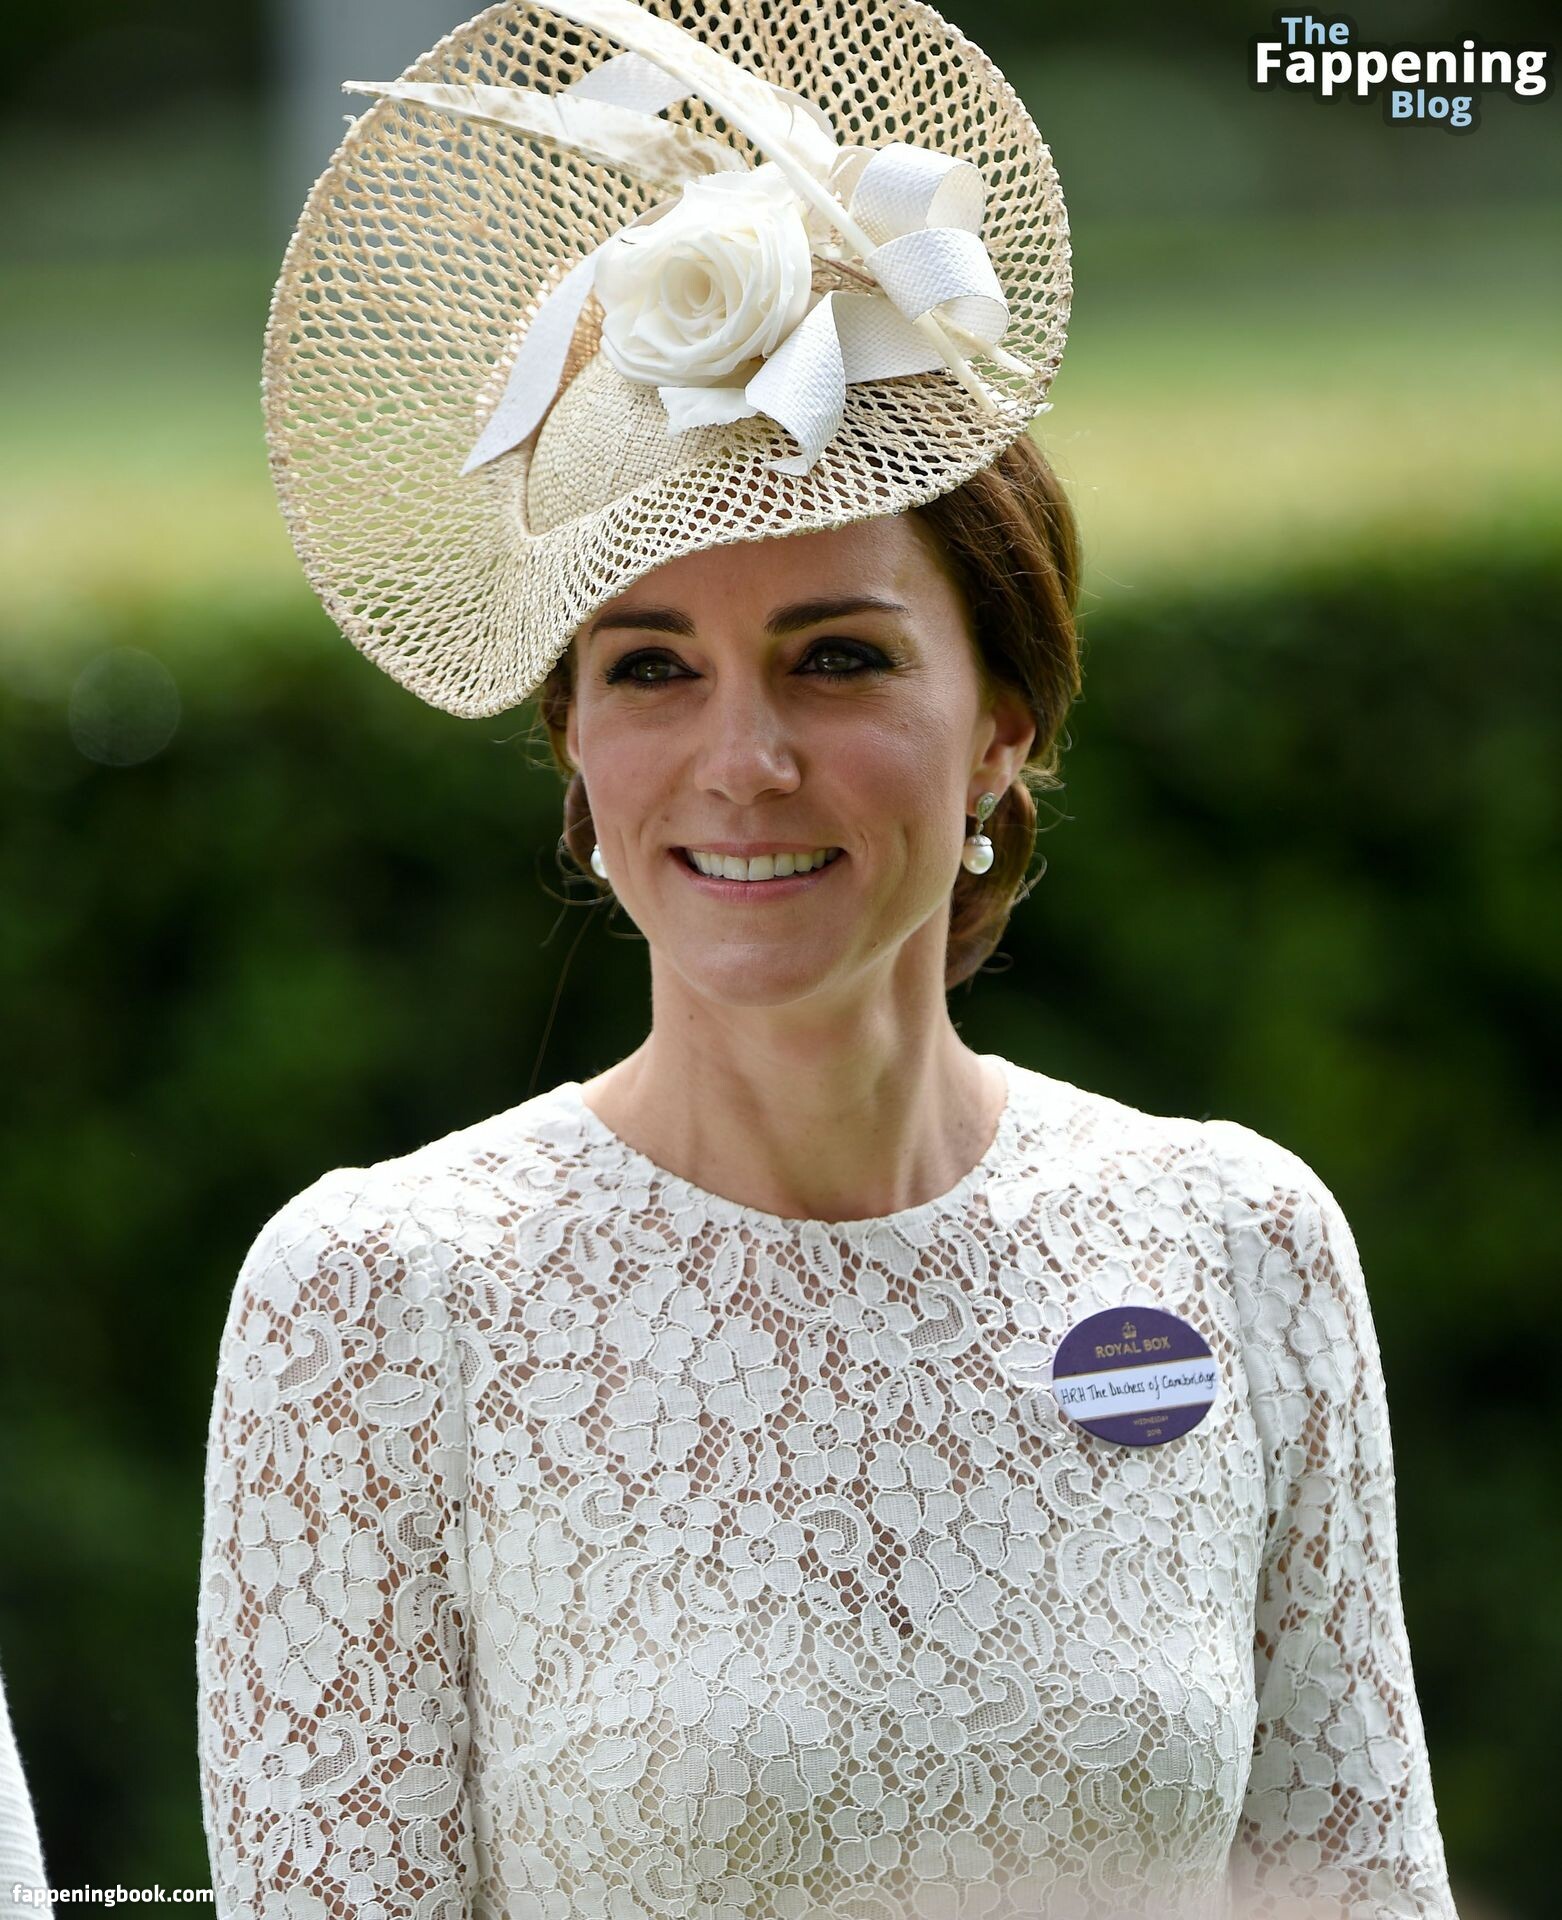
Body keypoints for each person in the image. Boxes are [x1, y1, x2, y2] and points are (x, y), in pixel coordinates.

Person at [196, 1, 1460, 1915]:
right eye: (649, 668)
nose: (742, 759)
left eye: (838, 656)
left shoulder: (1238, 1242)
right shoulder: (379, 1304)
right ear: (573, 744)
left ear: (1006, 721)